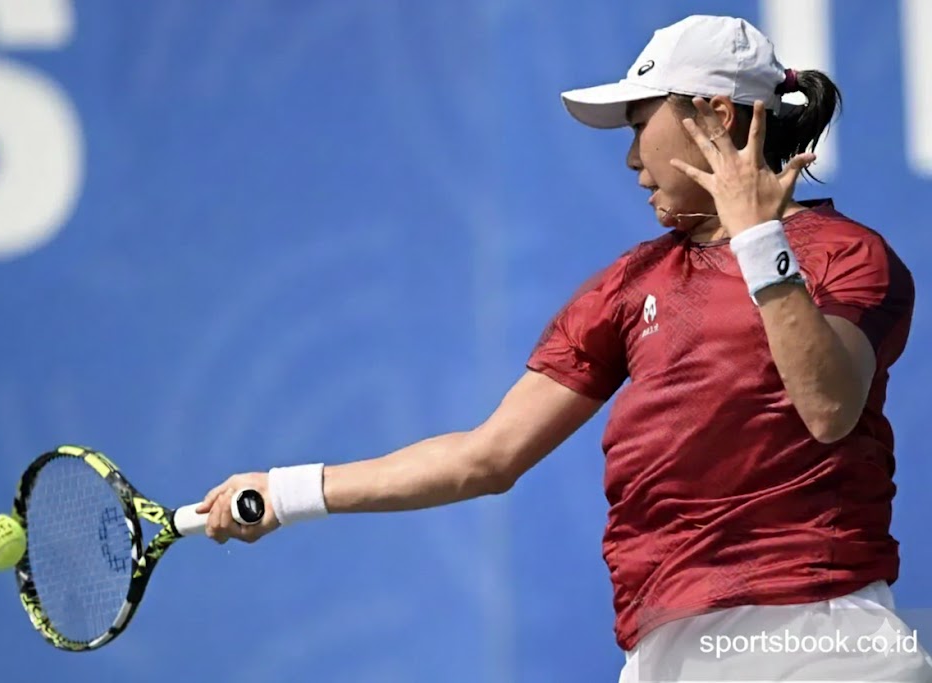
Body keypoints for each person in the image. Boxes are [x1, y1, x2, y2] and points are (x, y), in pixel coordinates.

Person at [196, 15, 929, 681]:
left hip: (823, 646)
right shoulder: (628, 285)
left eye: (641, 123)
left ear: (717, 115)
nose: (632, 157)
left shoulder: (845, 255)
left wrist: (758, 238)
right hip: (666, 656)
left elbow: (830, 405)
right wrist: (286, 491)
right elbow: (485, 456)